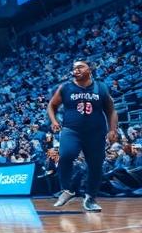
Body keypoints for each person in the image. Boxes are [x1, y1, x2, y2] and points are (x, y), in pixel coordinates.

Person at [48, 58, 118, 212]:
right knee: (66, 155)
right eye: (74, 68)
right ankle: (67, 190)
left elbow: (111, 110)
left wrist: (113, 130)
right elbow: (51, 105)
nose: (76, 70)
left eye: (80, 67)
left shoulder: (101, 87)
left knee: (95, 165)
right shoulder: (65, 87)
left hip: (96, 132)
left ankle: (90, 198)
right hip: (71, 130)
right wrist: (54, 121)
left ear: (89, 70)